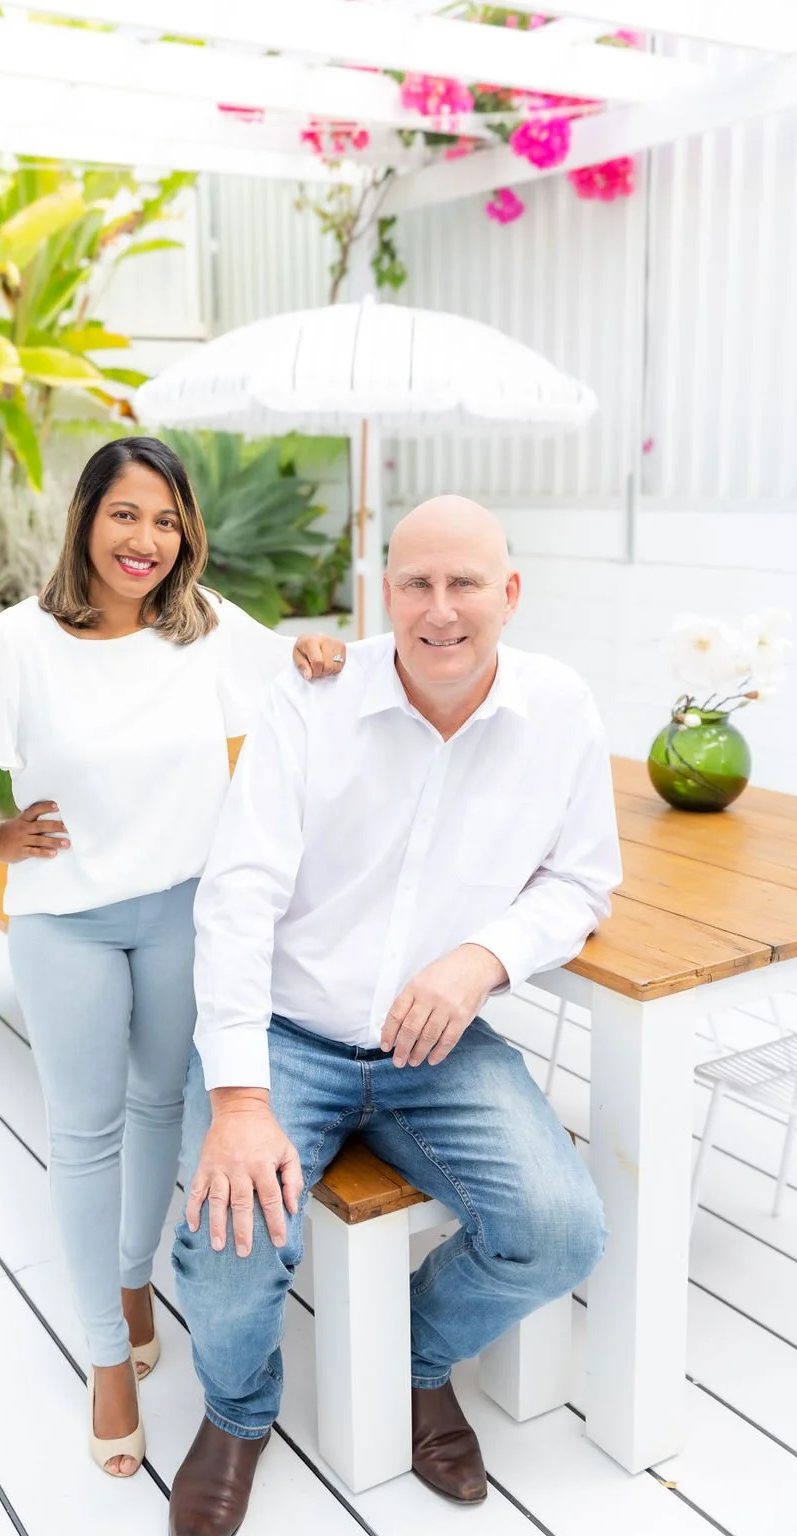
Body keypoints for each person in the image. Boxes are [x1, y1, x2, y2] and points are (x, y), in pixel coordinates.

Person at [0, 436, 347, 1482]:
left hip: (183, 910)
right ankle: (104, 1356)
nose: (147, 539)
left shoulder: (204, 626)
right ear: (86, 518)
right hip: (67, 923)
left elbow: (299, 669)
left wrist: (316, 651)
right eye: (126, 514)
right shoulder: (21, 642)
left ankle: (134, 1283)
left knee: (159, 1111)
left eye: (167, 521)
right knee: (83, 1135)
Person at [169, 495, 622, 1535]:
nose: (440, 608)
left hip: (441, 1049)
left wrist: (482, 959)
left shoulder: (560, 708)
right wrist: (239, 1096)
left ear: (508, 593)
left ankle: (415, 1362)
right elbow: (236, 896)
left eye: (465, 582)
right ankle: (236, 1416)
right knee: (229, 1251)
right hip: (288, 1038)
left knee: (560, 1232)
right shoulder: (313, 697)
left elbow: (582, 883)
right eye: (415, 582)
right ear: (385, 593)